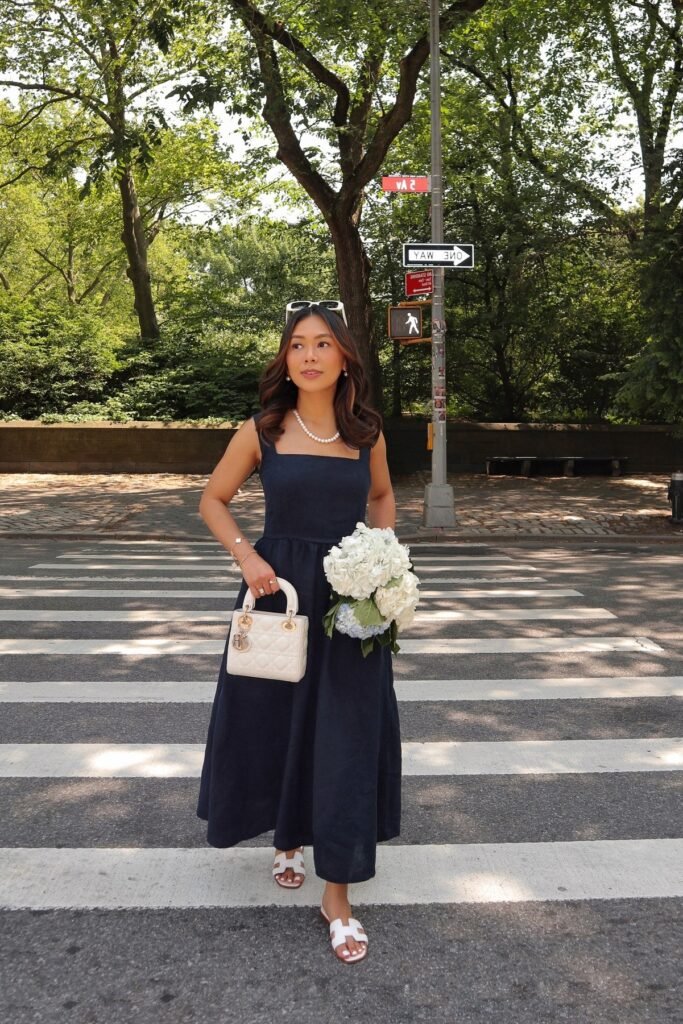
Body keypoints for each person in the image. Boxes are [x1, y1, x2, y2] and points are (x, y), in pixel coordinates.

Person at [196, 300, 402, 965]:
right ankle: (286, 837)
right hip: (277, 596)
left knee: (347, 736)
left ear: (344, 357)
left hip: (350, 604)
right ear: (285, 360)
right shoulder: (262, 429)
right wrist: (248, 559)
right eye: (297, 345)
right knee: (274, 722)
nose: (309, 355)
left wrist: (382, 558)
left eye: (322, 344)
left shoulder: (367, 432)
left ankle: (336, 895)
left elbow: (380, 497)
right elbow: (212, 500)